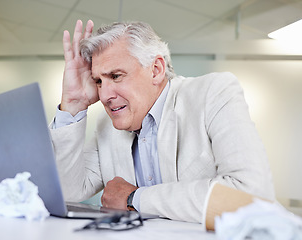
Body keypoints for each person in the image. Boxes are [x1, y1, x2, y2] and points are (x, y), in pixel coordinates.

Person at [49, 19, 275, 222]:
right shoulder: (106, 125)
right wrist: (73, 104)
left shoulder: (213, 94)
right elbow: (68, 192)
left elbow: (251, 195)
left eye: (116, 76)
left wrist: (134, 198)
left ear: (156, 70)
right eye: (98, 81)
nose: (105, 95)